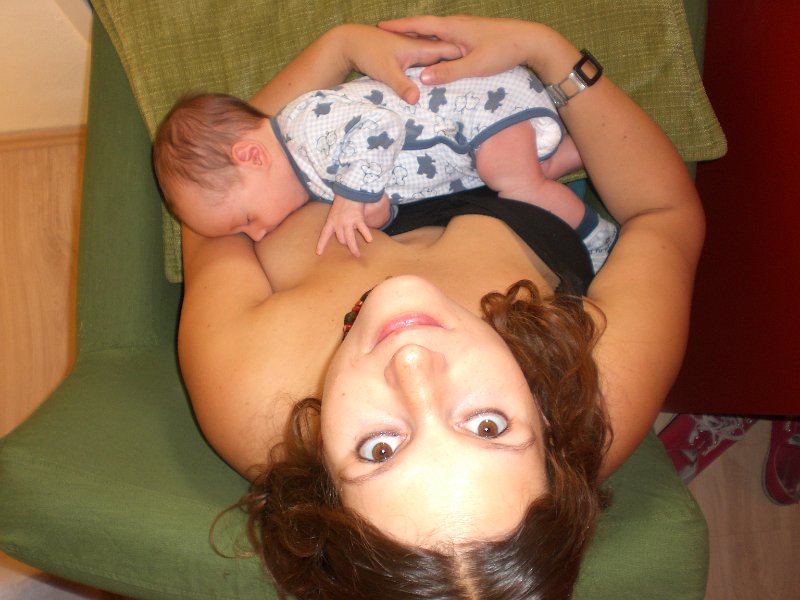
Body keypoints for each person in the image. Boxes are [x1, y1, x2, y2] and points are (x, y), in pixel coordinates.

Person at [176, 16, 704, 599]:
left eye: (380, 449)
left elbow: (211, 208)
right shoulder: (593, 398)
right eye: (487, 425)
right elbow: (663, 214)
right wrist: (549, 54)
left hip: (334, 171)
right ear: (549, 437)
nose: (413, 362)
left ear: (323, 498)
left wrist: (337, 48)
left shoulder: (247, 398)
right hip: (510, 171)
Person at [154, 67, 618, 268]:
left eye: (247, 219)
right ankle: (593, 146)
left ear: (252, 156)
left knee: (519, 186)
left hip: (482, 108)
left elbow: (381, 126)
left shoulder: (305, 126)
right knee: (521, 172)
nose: (257, 235)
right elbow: (391, 181)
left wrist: (351, 198)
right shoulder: (307, 173)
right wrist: (377, 211)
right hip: (467, 150)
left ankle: (597, 238)